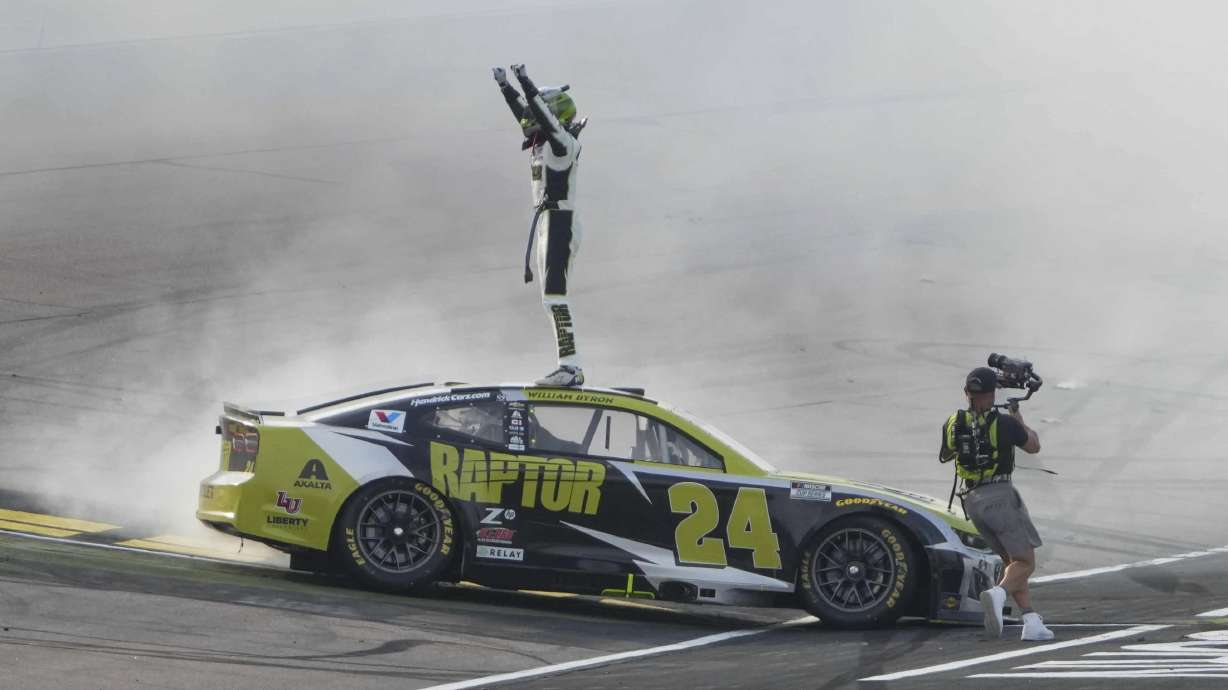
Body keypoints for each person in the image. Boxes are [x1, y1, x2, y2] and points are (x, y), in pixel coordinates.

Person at [940, 366, 1053, 641]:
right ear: (992, 394)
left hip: (972, 502)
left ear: (966, 392)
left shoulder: (952, 422)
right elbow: (1033, 446)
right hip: (999, 497)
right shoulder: (1004, 424)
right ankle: (997, 593)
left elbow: (946, 454)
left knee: (1011, 562)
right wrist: (1017, 416)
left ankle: (1030, 621)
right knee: (1025, 562)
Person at [492, 63, 587, 387]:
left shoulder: (563, 144)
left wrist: (525, 81)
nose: (528, 122)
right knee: (550, 299)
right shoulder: (545, 143)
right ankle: (568, 366)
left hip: (560, 221)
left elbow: (542, 116)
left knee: (555, 297)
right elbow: (527, 113)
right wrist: (506, 88)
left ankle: (570, 368)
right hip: (548, 222)